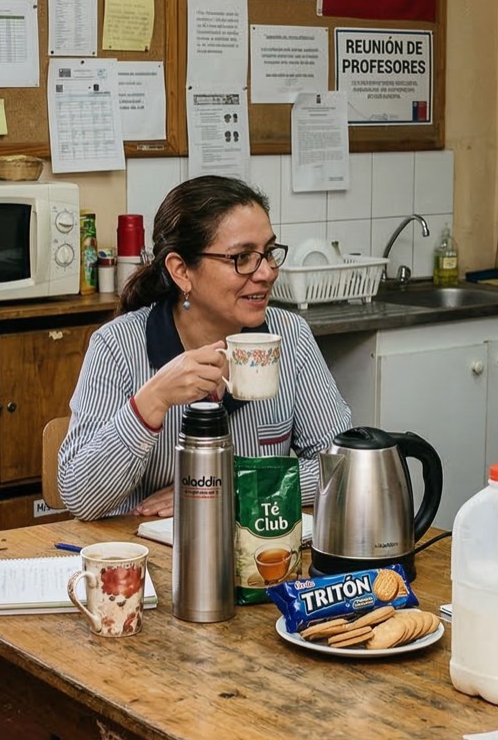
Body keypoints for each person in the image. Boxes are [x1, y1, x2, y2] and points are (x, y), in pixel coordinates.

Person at [59, 175, 353, 521]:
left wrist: (227, 489)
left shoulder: (291, 337)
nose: (267, 273)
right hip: (154, 556)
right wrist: (152, 400)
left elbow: (340, 467)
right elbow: (80, 497)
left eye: (269, 253)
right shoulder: (118, 346)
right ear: (182, 271)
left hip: (260, 547)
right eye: (243, 257)